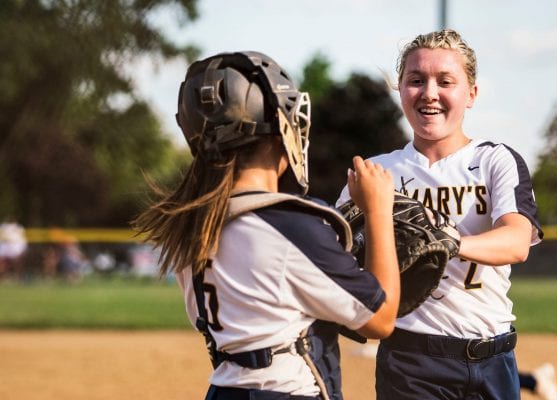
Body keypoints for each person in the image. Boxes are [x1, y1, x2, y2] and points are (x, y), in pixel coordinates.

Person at [133, 51, 399, 400]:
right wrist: (379, 210)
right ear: (279, 132)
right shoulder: (291, 227)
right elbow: (381, 319)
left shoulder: (193, 224)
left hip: (223, 390)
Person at [336, 29, 557, 400]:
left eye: (445, 81)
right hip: (412, 362)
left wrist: (448, 240)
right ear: (400, 90)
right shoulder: (375, 174)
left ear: (471, 93)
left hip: (494, 357)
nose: (429, 93)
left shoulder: (495, 161)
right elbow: (339, 260)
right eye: (416, 80)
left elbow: (517, 241)